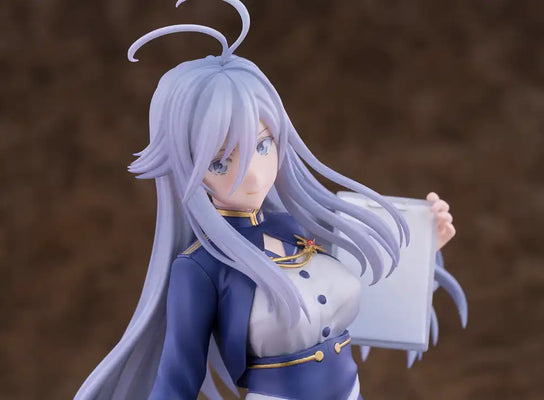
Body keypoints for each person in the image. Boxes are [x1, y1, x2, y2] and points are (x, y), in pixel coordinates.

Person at [74, 1, 465, 399]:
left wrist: (424, 249)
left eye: (262, 146)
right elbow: (178, 379)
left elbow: (374, 296)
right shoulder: (200, 267)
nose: (254, 175)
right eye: (221, 162)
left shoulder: (295, 228)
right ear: (188, 166)